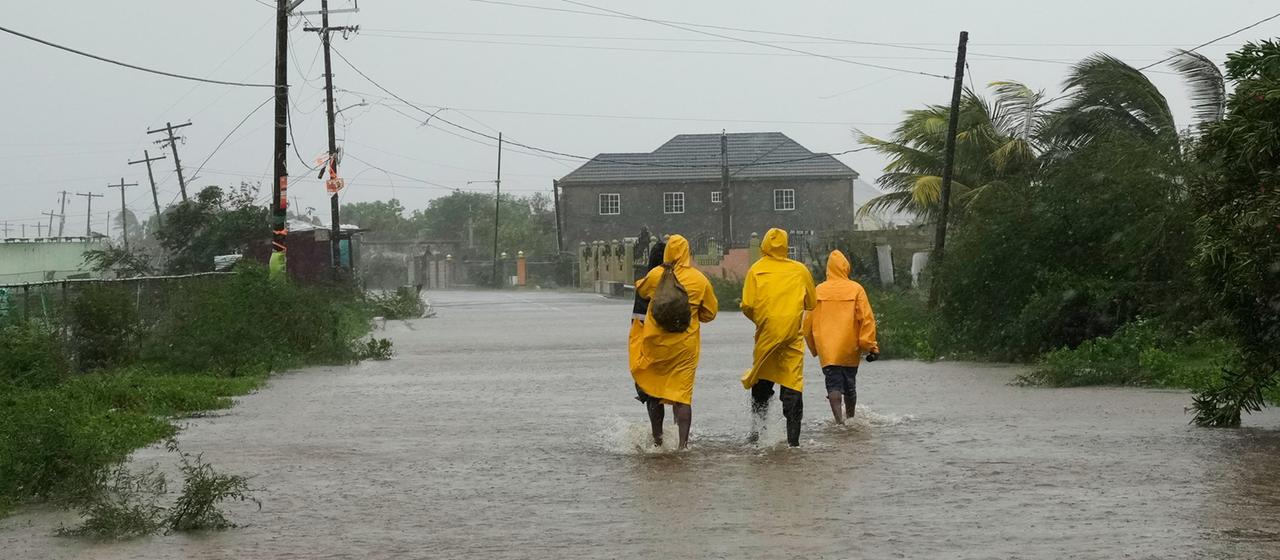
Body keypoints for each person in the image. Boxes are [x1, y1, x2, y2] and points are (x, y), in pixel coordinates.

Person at [632, 235, 718, 449]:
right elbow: (710, 313)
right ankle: (683, 445)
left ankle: (657, 441)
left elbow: (642, 291)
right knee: (682, 396)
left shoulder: (657, 275)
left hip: (656, 345)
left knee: (654, 392)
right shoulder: (699, 279)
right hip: (684, 349)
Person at [740, 228, 816, 447]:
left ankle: (757, 435)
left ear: (764, 244)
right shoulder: (800, 270)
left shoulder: (756, 270)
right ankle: (793, 441)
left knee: (762, 380)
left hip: (766, 334)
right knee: (792, 383)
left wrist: (763, 319)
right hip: (792, 336)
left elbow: (747, 305)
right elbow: (811, 303)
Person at [803, 250, 880, 425]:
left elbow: (806, 325)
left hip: (828, 349)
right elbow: (866, 319)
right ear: (846, 267)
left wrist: (815, 348)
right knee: (850, 384)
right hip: (849, 347)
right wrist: (870, 346)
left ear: (828, 269)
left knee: (832, 384)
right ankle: (851, 418)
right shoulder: (856, 289)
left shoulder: (819, 290)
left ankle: (839, 422)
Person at [628, 239, 666, 445]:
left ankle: (657, 438)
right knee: (678, 394)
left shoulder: (645, 282)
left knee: (652, 394)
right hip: (676, 344)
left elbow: (637, 320)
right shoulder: (681, 280)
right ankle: (682, 439)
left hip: (648, 344)